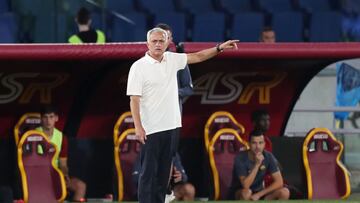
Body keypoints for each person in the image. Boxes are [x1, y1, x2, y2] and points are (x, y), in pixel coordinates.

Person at [126, 27, 238, 203]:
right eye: (154, 41)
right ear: (147, 44)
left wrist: (219, 48)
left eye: (161, 41)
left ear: (167, 43)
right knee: (148, 172)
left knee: (164, 173)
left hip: (172, 127)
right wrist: (138, 127)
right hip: (151, 129)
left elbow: (198, 56)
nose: (157, 44)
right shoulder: (138, 67)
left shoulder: (172, 59)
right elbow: (134, 100)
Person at [36, 106, 86, 202]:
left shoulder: (62, 137)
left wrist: (65, 174)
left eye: (51, 117)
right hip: (37, 176)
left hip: (56, 176)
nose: (48, 120)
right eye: (45, 117)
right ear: (41, 118)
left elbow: (63, 163)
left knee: (80, 186)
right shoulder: (32, 135)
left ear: (56, 118)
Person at [228, 130, 290, 200]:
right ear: (249, 144)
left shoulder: (268, 156)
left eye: (260, 143)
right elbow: (246, 185)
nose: (257, 146)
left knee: (284, 192)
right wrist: (257, 165)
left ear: (264, 144)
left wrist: (259, 195)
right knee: (246, 193)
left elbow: (279, 182)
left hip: (259, 193)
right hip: (240, 192)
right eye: (254, 143)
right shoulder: (240, 158)